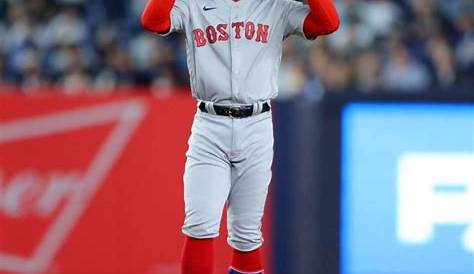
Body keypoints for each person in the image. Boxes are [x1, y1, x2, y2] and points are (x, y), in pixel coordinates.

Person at [141, 0, 339, 273]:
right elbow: (153, 20)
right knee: (200, 224)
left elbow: (328, 23)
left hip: (257, 125)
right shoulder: (195, 4)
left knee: (246, 235)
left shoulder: (275, 5)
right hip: (210, 124)